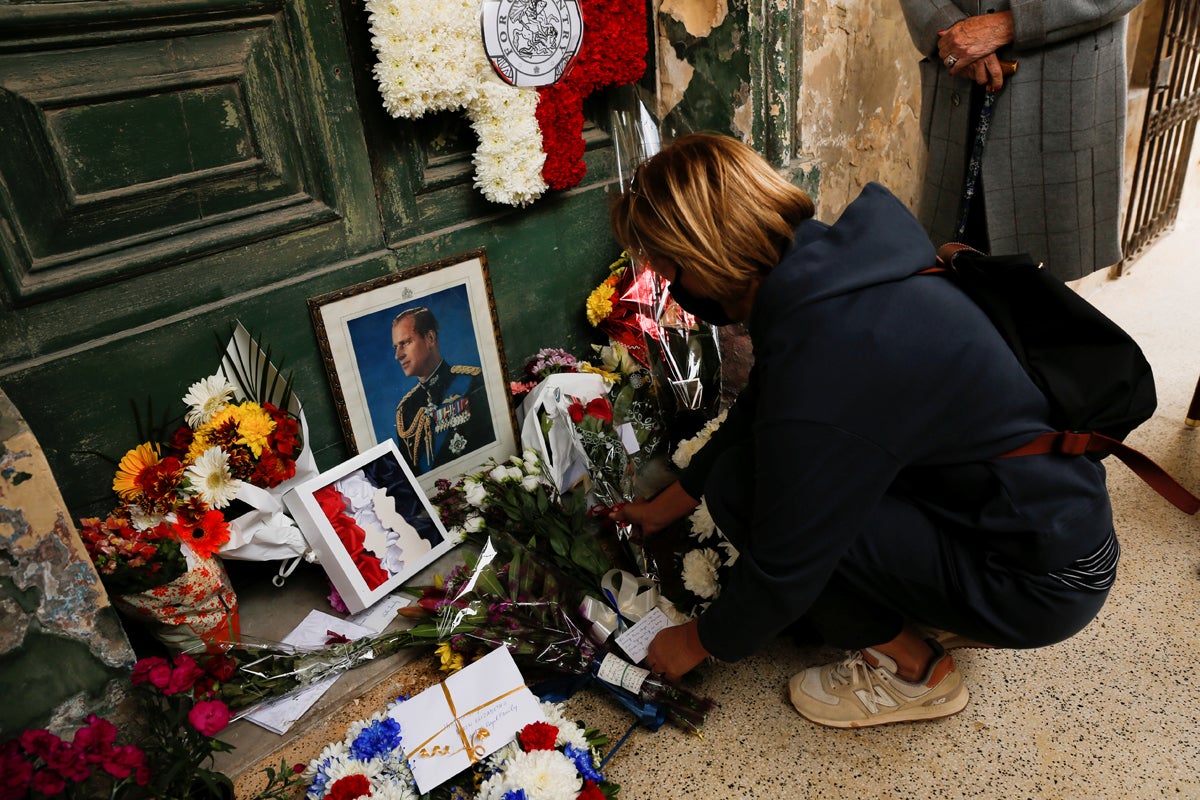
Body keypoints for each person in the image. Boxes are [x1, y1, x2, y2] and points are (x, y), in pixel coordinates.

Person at [609, 133, 1117, 728]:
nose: (672, 289)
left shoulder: (828, 352)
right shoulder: (832, 271)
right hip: (1046, 523)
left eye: (668, 270)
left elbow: (787, 558)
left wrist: (697, 640)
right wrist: (669, 505)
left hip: (1042, 581)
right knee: (748, 471)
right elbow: (762, 404)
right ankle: (932, 598)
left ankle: (916, 672)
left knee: (746, 491)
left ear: (702, 256)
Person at [898, 0, 1142, 282]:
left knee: (1033, 288)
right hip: (960, 79)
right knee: (947, 265)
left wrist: (1009, 23)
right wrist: (952, 32)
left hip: (1059, 86)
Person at [392, 307, 495, 474]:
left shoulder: (473, 382)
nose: (398, 355)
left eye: (405, 343)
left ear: (430, 338)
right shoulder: (406, 409)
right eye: (396, 347)